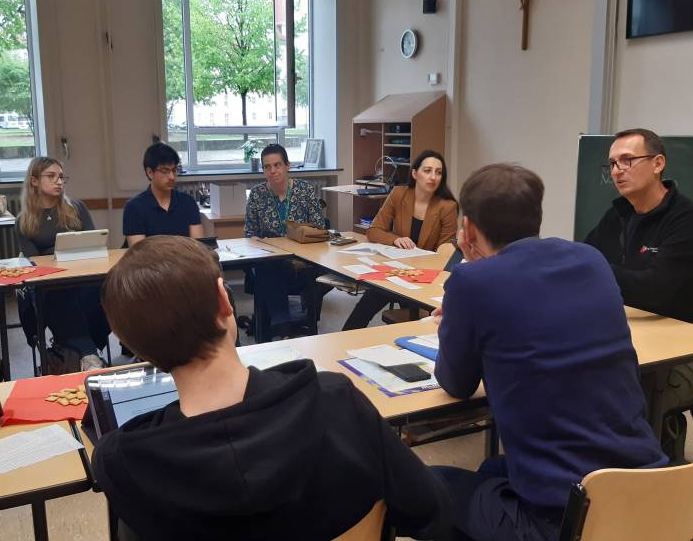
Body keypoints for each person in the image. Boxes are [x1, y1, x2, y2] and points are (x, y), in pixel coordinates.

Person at [94, 236, 450, 540]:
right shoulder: (337, 403)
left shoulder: (126, 464)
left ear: (138, 349)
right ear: (224, 301)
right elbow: (429, 510)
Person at [431, 164, 667, 541]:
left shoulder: (470, 282)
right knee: (493, 469)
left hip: (563, 520)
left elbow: (456, 383)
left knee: (427, 484)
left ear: (468, 229)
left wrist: (458, 311)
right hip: (644, 489)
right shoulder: (591, 260)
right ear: (537, 217)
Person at [584, 128, 693, 423]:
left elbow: (656, 290)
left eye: (628, 160)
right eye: (613, 164)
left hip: (686, 353)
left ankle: (638, 460)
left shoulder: (689, 221)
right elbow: (585, 256)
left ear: (658, 164)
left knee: (608, 402)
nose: (618, 171)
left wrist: (592, 269)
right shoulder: (617, 215)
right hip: (629, 336)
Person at [342, 150, 457, 330]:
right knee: (368, 302)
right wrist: (395, 239)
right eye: (427, 171)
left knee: (415, 316)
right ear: (414, 173)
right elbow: (374, 231)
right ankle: (344, 341)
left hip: (425, 275)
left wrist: (444, 250)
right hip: (397, 271)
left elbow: (446, 250)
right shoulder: (399, 194)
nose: (433, 177)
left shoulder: (447, 206)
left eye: (438, 172)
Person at [16, 157, 110, 372]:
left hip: (84, 274)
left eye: (61, 176)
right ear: (34, 181)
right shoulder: (24, 220)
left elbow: (95, 242)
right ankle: (89, 354)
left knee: (107, 291)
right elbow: (35, 265)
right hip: (51, 283)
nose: (59, 181)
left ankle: (83, 351)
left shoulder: (76, 207)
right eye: (51, 176)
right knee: (60, 294)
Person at [243, 143, 328, 340]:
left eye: (277, 165)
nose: (273, 171)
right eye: (267, 167)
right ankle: (284, 328)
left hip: (301, 263)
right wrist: (259, 242)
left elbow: (318, 229)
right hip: (270, 262)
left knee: (277, 270)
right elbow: (249, 233)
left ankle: (282, 327)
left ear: (287, 166)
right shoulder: (257, 194)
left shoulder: (305, 191)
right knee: (269, 266)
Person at [123, 144, 202, 247]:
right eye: (165, 171)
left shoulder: (188, 202)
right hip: (151, 262)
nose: (172, 177)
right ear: (150, 172)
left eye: (174, 170)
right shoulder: (134, 207)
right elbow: (139, 254)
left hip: (184, 261)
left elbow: (198, 247)